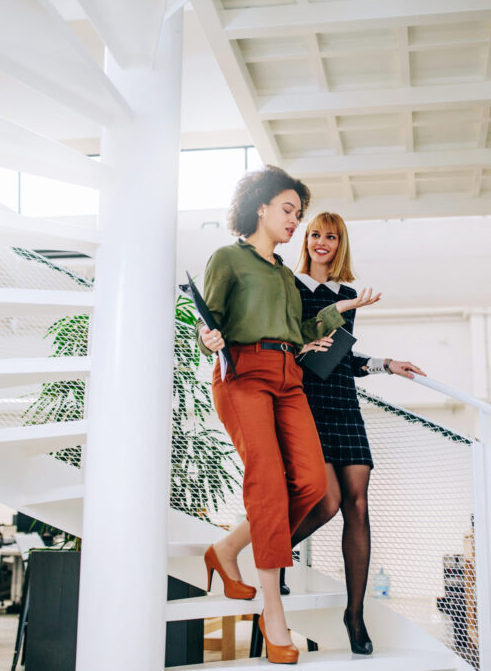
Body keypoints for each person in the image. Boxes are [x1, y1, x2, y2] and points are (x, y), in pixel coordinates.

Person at [197, 167, 378, 664]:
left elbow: (300, 332)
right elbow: (207, 321)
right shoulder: (228, 259)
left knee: (315, 487)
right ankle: (271, 607)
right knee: (269, 483)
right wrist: (209, 338)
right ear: (261, 207)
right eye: (290, 211)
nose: (295, 221)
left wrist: (340, 311)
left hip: (288, 377)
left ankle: (228, 549)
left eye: (298, 214)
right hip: (244, 374)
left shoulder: (281, 272)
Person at [291, 211, 425, 655]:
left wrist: (387, 364)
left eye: (330, 236)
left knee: (358, 505)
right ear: (305, 240)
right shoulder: (290, 286)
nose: (321, 242)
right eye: (314, 234)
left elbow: (342, 356)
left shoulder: (347, 293)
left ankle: (354, 613)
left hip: (344, 403)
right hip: (306, 404)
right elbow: (292, 345)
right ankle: (273, 553)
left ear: (340, 243)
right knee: (326, 501)